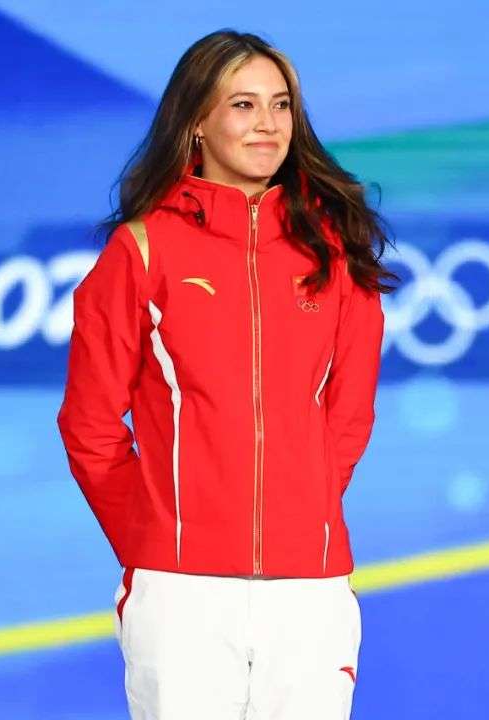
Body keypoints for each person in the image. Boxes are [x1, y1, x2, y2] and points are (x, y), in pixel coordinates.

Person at [56, 28, 397, 720]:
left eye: (280, 105)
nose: (267, 123)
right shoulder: (142, 249)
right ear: (197, 122)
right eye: (243, 105)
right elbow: (89, 425)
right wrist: (159, 537)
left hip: (310, 591)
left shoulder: (336, 252)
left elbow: (348, 416)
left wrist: (300, 513)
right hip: (181, 594)